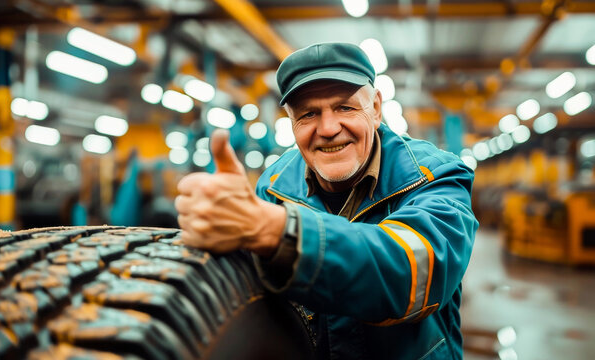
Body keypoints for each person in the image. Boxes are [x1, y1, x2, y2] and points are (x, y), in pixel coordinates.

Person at [175, 42, 478, 359]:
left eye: (345, 107)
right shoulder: (273, 187)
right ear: (291, 121)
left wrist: (277, 231)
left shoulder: (436, 176)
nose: (329, 128)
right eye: (309, 113)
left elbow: (413, 273)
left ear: (375, 108)